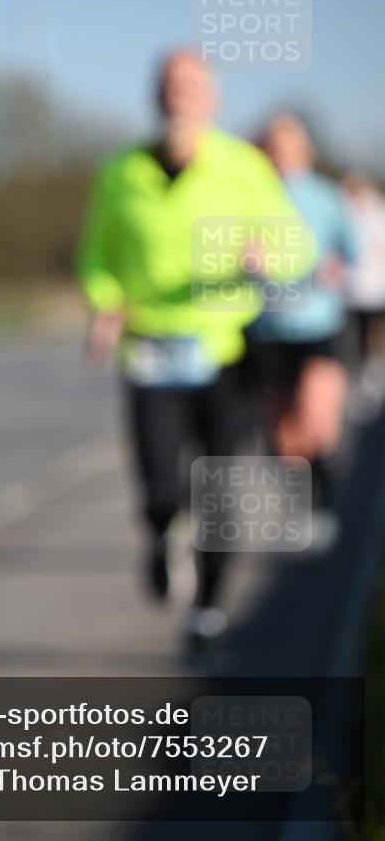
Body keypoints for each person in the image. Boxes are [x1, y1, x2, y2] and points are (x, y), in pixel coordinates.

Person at [77, 50, 313, 643]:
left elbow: (297, 248)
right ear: (155, 96)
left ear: (213, 99)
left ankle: (208, 607)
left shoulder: (243, 167)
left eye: (190, 85)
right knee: (159, 485)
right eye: (167, 84)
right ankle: (161, 532)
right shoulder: (119, 171)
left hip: (224, 350)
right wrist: (105, 302)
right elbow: (96, 254)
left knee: (217, 486)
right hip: (149, 348)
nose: (177, 94)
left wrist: (268, 257)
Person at [247, 114, 357, 528]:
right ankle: (304, 502)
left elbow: (351, 250)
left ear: (305, 150)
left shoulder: (325, 197)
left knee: (316, 421)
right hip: (267, 328)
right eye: (273, 147)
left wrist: (336, 268)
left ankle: (324, 502)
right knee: (285, 440)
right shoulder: (249, 196)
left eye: (290, 147)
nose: (282, 156)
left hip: (317, 324)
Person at [342, 170, 385, 363]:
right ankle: (359, 361)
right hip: (350, 286)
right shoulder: (344, 210)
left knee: (373, 327)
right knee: (355, 330)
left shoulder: (378, 213)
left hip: (374, 284)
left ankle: (371, 361)